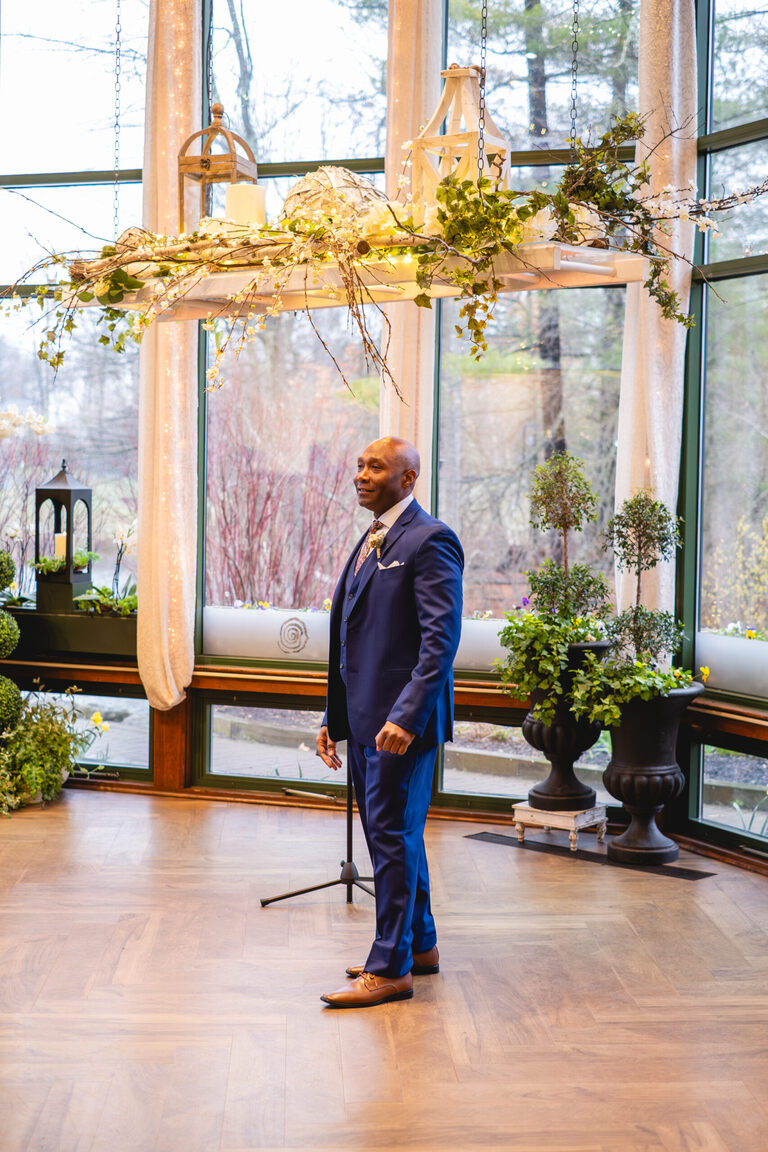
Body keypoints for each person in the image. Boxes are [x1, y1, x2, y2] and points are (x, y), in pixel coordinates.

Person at [316, 436, 464, 1008]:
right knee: (397, 835)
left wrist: (406, 716)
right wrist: (333, 717)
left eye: (375, 467)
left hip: (400, 726)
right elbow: (350, 638)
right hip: (363, 720)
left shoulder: (431, 540)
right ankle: (419, 946)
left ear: (408, 478)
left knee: (391, 839)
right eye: (359, 465)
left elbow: (439, 641)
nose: (361, 475)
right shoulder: (372, 535)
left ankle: (390, 968)